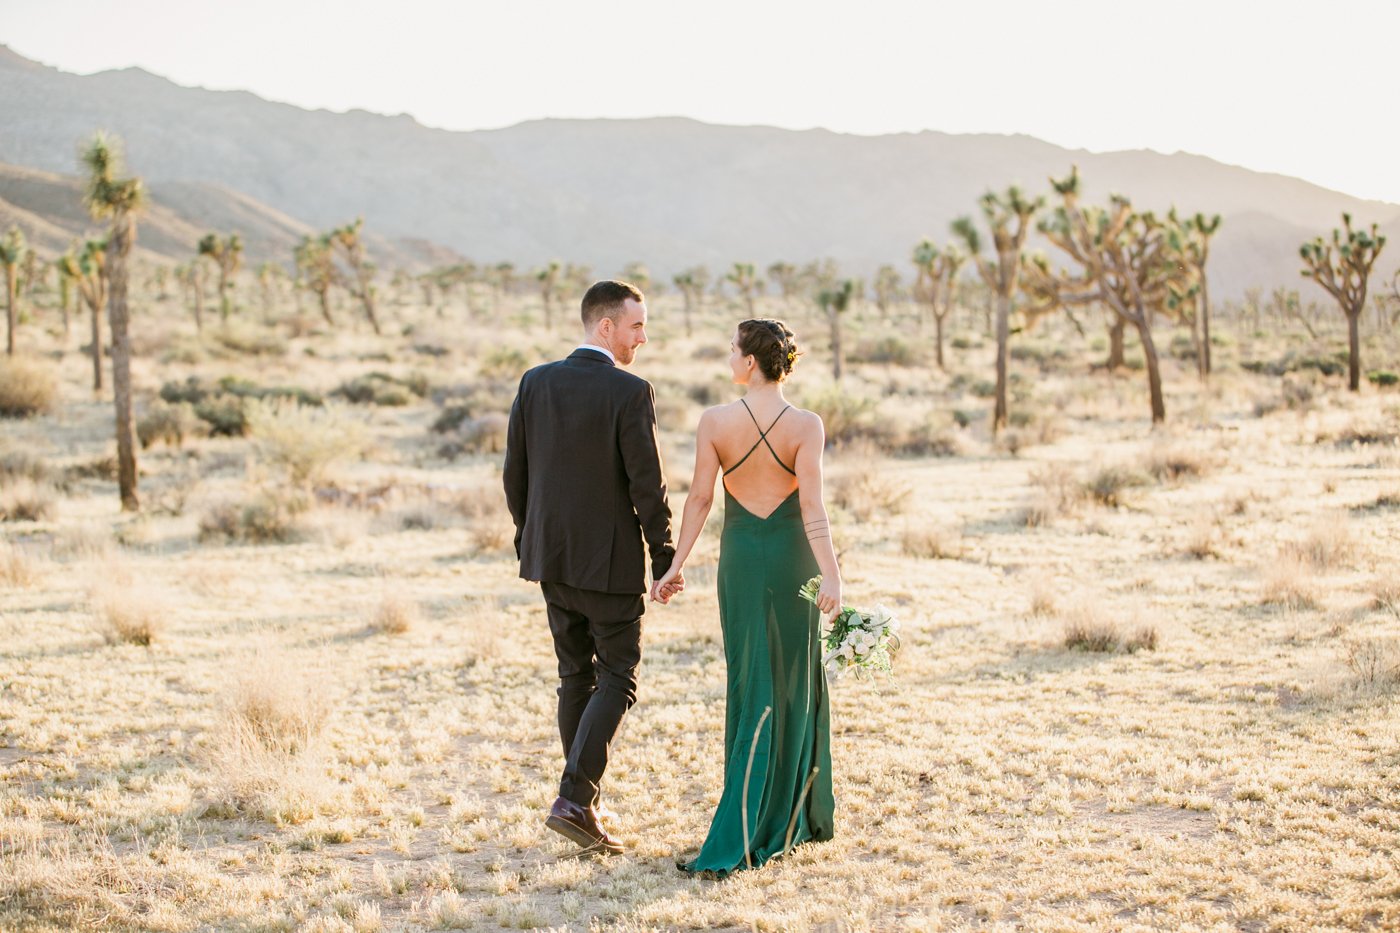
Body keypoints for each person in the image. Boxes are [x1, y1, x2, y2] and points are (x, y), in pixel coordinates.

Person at [652, 318, 839, 876]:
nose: (729, 357)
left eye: (734, 349)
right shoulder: (807, 425)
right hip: (793, 562)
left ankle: (744, 819)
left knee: (749, 677)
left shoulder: (715, 422)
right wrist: (831, 575)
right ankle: (791, 813)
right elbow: (813, 510)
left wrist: (673, 566)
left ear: (752, 362)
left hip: (740, 561)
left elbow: (701, 500)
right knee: (794, 679)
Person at [503, 279, 678, 856]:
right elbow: (646, 485)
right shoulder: (630, 392)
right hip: (608, 566)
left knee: (576, 676)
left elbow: (515, 473)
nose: (643, 338)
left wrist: (529, 535)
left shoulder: (536, 382)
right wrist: (664, 556)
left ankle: (582, 804)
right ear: (606, 326)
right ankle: (575, 799)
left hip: (549, 557)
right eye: (636, 326)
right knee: (619, 678)